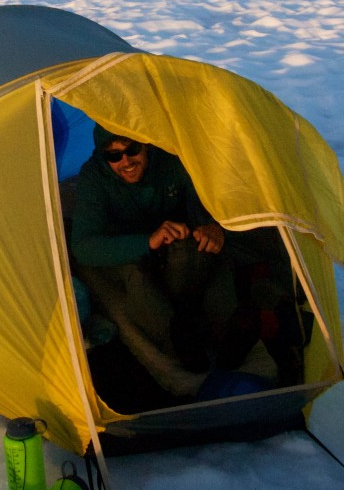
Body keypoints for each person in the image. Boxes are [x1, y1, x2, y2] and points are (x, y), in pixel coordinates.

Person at [70, 125, 241, 400]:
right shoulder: (94, 178)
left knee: (209, 253)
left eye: (131, 149)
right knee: (137, 278)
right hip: (125, 251)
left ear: (145, 145)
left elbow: (207, 204)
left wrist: (212, 227)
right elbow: (84, 247)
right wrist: (146, 242)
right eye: (113, 155)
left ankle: (229, 332)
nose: (125, 161)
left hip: (173, 250)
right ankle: (177, 338)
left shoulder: (171, 161)